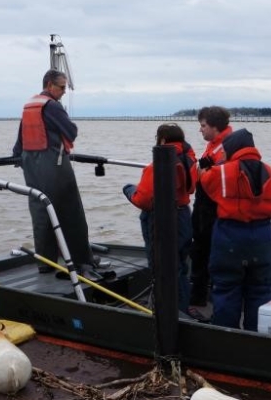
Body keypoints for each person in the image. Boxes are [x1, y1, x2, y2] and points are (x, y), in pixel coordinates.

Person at [12, 69, 101, 278]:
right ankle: (81, 260)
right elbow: (71, 132)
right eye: (61, 87)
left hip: (31, 166)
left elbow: (19, 141)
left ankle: (45, 262)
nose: (63, 91)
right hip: (55, 164)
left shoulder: (30, 105)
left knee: (41, 211)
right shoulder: (52, 106)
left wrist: (18, 157)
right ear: (49, 85)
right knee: (71, 213)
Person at [199, 128, 271, 331]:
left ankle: (227, 338)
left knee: (226, 288)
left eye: (225, 151)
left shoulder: (221, 172)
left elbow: (205, 182)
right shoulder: (269, 170)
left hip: (231, 235)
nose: (223, 154)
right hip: (263, 235)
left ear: (234, 149)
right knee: (261, 289)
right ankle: (256, 337)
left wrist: (206, 169)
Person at [122, 123, 198, 314]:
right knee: (179, 265)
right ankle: (182, 307)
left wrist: (129, 190)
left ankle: (166, 312)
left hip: (162, 219)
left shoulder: (157, 166)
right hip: (183, 215)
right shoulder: (190, 160)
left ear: (162, 140)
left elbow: (144, 200)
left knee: (161, 266)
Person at [189, 106, 233, 307]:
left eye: (203, 126)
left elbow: (216, 180)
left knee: (205, 254)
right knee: (199, 252)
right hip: (203, 206)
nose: (201, 130)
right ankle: (200, 296)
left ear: (215, 126)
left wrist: (201, 172)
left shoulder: (226, 147)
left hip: (213, 209)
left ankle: (202, 299)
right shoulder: (215, 145)